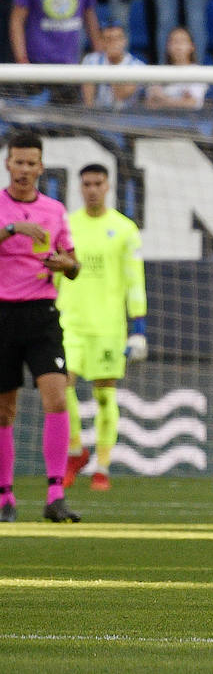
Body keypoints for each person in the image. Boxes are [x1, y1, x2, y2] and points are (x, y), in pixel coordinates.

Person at [0, 131, 83, 523]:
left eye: (32, 163)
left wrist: (64, 265)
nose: (25, 170)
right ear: (8, 163)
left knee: (56, 396)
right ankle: (5, 497)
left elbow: (74, 265)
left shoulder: (54, 209)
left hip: (41, 314)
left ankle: (55, 494)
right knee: (5, 410)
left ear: (41, 167)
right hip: (1, 315)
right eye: (19, 162)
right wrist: (15, 229)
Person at [57, 164, 146, 492]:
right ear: (80, 187)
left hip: (109, 325)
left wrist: (139, 327)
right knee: (61, 385)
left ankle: (103, 467)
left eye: (98, 183)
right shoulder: (67, 224)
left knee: (105, 397)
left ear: (107, 186)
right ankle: (76, 450)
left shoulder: (124, 229)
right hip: (71, 322)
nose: (92, 189)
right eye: (86, 184)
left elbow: (134, 279)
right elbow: (55, 273)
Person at [80, 23, 146, 110]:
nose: (114, 43)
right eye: (108, 39)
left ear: (124, 41)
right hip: (97, 115)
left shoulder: (137, 66)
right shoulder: (91, 60)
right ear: (102, 42)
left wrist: (112, 64)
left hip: (128, 116)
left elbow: (120, 95)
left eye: (117, 39)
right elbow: (88, 101)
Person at [145, 27, 210, 109]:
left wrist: (163, 99)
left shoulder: (199, 72)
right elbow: (150, 104)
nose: (178, 45)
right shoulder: (158, 72)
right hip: (162, 119)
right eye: (174, 41)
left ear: (192, 47)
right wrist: (180, 101)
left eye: (183, 41)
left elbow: (193, 104)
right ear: (167, 46)